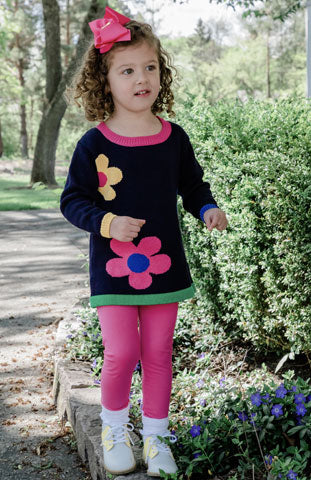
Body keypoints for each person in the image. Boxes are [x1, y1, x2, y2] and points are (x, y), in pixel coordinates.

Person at [60, 6, 228, 477]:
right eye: (127, 70)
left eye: (150, 67)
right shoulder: (94, 144)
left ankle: (156, 437)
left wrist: (206, 208)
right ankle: (115, 427)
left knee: (157, 353)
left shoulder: (174, 139)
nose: (142, 78)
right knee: (121, 352)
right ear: (105, 81)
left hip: (165, 267)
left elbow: (193, 186)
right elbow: (72, 200)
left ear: (162, 73)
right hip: (113, 269)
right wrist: (107, 223)